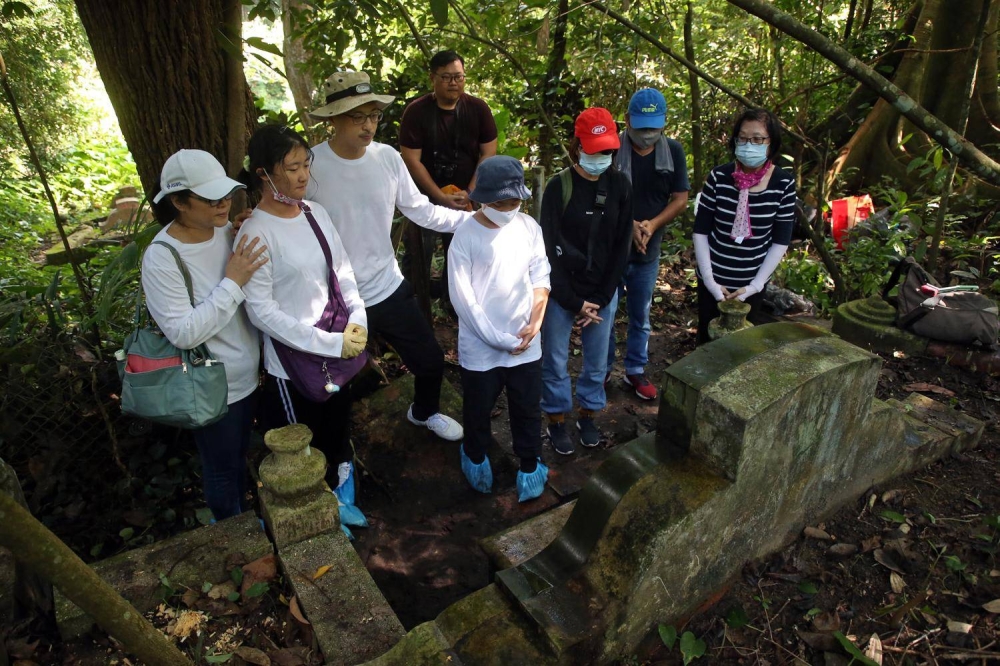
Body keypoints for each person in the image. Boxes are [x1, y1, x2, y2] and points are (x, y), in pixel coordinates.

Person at [307, 70, 466, 441]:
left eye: (374, 115)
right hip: (339, 299)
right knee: (337, 386)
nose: (368, 126)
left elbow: (419, 209)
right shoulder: (310, 167)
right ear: (333, 119)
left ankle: (424, 413)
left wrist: (471, 221)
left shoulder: (387, 158)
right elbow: (287, 221)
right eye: (357, 116)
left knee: (429, 361)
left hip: (387, 287)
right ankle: (340, 456)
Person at [234, 125, 370, 538]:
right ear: (263, 174)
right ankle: (315, 512)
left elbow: (341, 271)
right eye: (291, 168)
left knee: (337, 428)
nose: (302, 176)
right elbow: (262, 313)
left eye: (305, 164)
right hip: (292, 365)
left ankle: (340, 495)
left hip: (336, 350)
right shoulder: (255, 232)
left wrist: (358, 319)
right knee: (301, 444)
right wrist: (332, 342)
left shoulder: (315, 213)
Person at [144, 149, 266, 522]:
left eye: (226, 195)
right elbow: (182, 332)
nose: (223, 204)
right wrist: (234, 280)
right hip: (214, 387)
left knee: (243, 454)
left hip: (253, 373)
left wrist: (240, 230)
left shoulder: (223, 231)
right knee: (222, 468)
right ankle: (233, 534)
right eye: (211, 199)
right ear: (179, 202)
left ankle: (248, 519)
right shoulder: (163, 256)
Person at [447, 155, 551, 502]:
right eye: (500, 203)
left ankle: (530, 465)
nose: (508, 209)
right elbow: (464, 300)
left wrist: (536, 321)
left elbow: (540, 274)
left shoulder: (528, 227)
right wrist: (499, 340)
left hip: (526, 343)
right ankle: (476, 458)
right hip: (481, 350)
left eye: (515, 202)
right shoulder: (465, 236)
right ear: (481, 199)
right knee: (477, 411)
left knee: (526, 409)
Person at [539, 107, 633, 455]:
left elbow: (621, 246)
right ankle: (557, 419)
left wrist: (601, 296)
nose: (602, 157)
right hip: (563, 290)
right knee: (555, 358)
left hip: (602, 291)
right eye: (594, 150)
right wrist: (573, 300)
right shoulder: (558, 187)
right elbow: (547, 249)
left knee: (597, 360)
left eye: (608, 150)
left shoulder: (620, 185)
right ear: (577, 146)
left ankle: (588, 414)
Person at [606, 88, 690, 401]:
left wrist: (651, 225)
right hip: (613, 247)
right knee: (607, 311)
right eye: (641, 128)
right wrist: (628, 225)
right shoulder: (612, 150)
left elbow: (680, 199)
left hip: (648, 249)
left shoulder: (673, 152)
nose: (647, 135)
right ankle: (601, 369)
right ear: (627, 120)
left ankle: (635, 370)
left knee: (641, 313)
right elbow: (602, 193)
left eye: (654, 128)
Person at [398, 50, 499, 302]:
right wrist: (437, 196)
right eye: (446, 77)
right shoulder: (417, 112)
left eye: (459, 77)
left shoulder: (477, 109)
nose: (454, 83)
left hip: (468, 196)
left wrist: (471, 193)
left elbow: (488, 152)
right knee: (420, 253)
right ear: (433, 78)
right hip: (426, 198)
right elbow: (411, 159)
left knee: (463, 254)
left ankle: (456, 305)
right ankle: (416, 306)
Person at [693, 107, 795, 344]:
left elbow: (780, 240)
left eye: (757, 138)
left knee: (741, 347)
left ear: (771, 142)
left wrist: (755, 285)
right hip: (713, 278)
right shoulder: (719, 177)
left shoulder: (783, 183)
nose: (749, 144)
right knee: (707, 342)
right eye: (743, 138)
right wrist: (709, 280)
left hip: (751, 283)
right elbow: (701, 232)